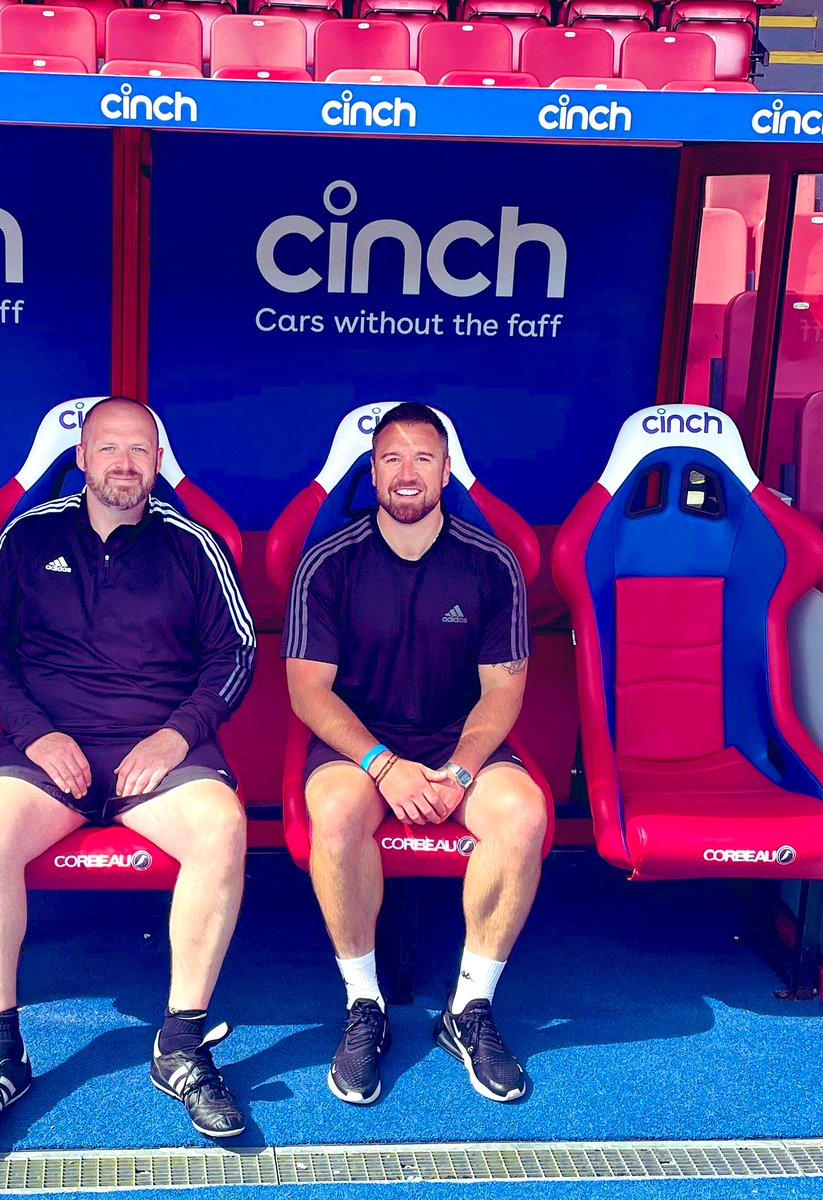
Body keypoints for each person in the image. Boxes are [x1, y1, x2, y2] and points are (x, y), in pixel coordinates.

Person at [0, 397, 257, 1152]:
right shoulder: (28, 535)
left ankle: (180, 1047)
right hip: (48, 748)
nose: (124, 463)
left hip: (158, 748)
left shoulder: (193, 544)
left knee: (222, 826)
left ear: (157, 462)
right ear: (80, 459)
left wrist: (174, 736)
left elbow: (235, 655)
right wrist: (38, 734)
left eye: (139, 450)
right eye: (108, 448)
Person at [282, 402, 547, 1107]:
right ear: (371, 474)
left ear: (446, 472)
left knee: (522, 814)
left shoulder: (492, 564)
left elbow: (502, 693)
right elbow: (309, 692)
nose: (407, 472)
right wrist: (383, 765)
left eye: (422, 458)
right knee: (336, 812)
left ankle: (469, 1011)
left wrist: (459, 771)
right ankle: (363, 1004)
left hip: (457, 742)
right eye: (391, 459)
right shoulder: (328, 562)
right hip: (360, 745)